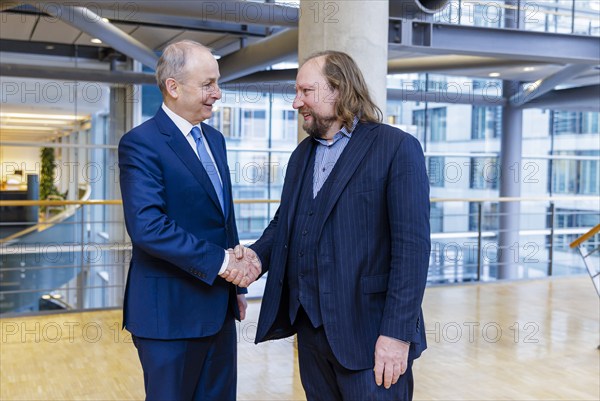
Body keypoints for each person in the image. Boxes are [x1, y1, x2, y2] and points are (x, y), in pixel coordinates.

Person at [247, 50, 431, 400]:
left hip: (371, 337)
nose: (296, 102)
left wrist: (396, 334)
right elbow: (284, 224)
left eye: (306, 91)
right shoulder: (302, 155)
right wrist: (255, 259)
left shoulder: (397, 148)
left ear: (339, 89)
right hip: (312, 334)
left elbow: (413, 250)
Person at [118, 40, 260, 401]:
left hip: (218, 309)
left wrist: (236, 289)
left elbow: (222, 217)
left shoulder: (215, 139)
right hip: (168, 317)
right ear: (174, 87)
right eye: (208, 84)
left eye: (217, 82)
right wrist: (226, 264)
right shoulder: (141, 143)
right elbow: (148, 227)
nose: (218, 93)